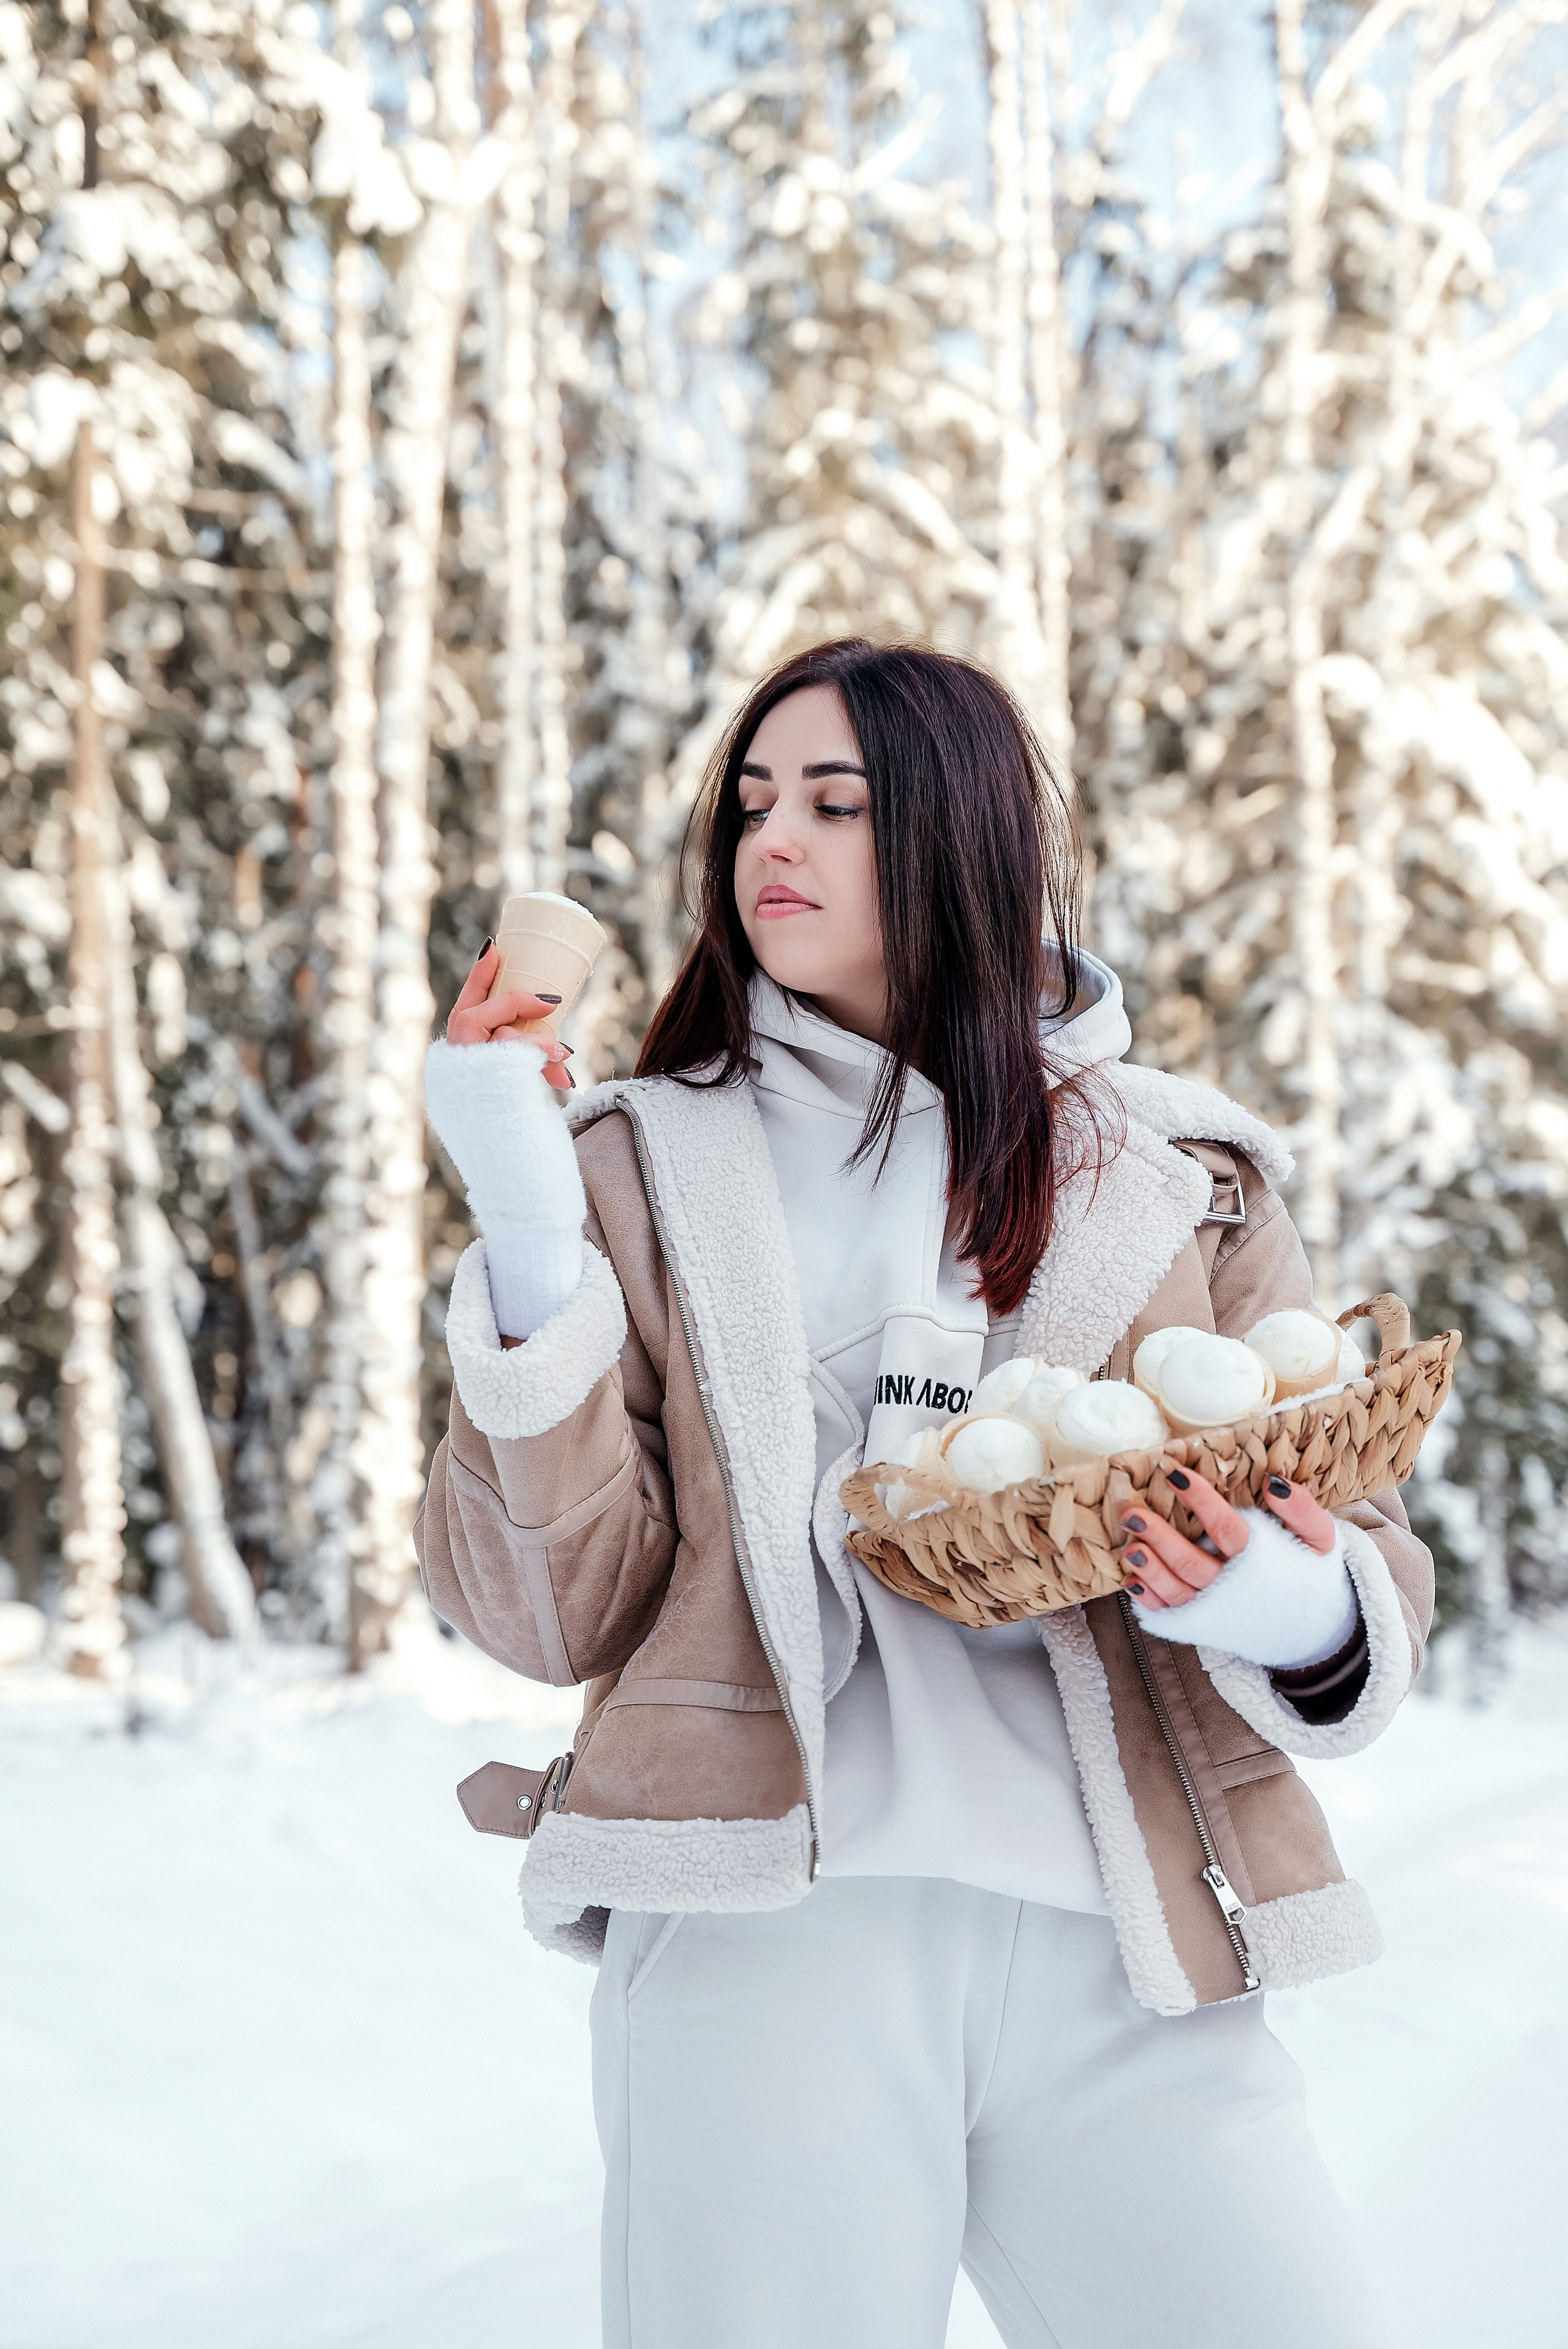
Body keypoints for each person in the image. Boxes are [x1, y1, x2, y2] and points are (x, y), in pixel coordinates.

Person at [417, 640, 1429, 2349]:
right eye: (753, 803)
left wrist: (1281, 1600)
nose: (772, 841)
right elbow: (552, 1612)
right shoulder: (641, 1165)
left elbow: (1370, 1565)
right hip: (773, 1940)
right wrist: (529, 1227)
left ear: (965, 835)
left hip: (1128, 1948)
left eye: (837, 802)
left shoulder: (1186, 1175)